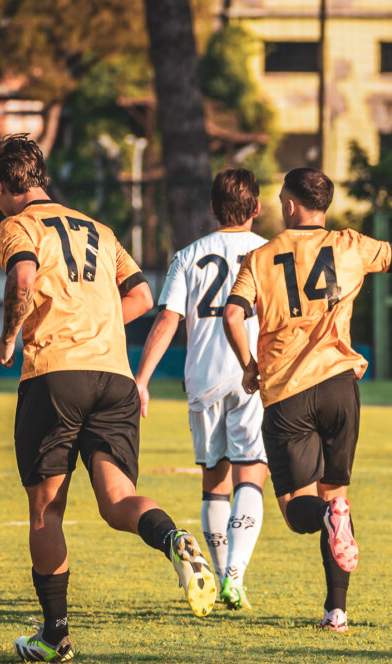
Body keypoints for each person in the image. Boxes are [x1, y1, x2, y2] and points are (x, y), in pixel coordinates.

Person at [0, 134, 218, 664]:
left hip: (56, 377)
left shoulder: (17, 225)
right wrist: (95, 324)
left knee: (46, 512)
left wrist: (10, 335)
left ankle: (54, 636)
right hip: (114, 377)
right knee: (116, 500)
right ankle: (173, 538)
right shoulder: (100, 230)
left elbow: (22, 277)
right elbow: (143, 295)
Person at [223, 166, 392, 632]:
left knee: (300, 512)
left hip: (288, 393)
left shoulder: (260, 258)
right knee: (338, 496)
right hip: (341, 386)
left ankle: (326, 519)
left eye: (281, 199)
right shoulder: (352, 245)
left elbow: (233, 315)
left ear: (293, 205)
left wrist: (248, 366)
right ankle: (336, 611)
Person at [134, 167, 269, 611]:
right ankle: (235, 577)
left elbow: (168, 319)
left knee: (215, 482)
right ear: (257, 209)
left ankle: (215, 572)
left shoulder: (188, 255)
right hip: (252, 374)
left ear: (212, 209)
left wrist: (142, 379)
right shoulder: (271, 253)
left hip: (203, 379)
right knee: (252, 471)